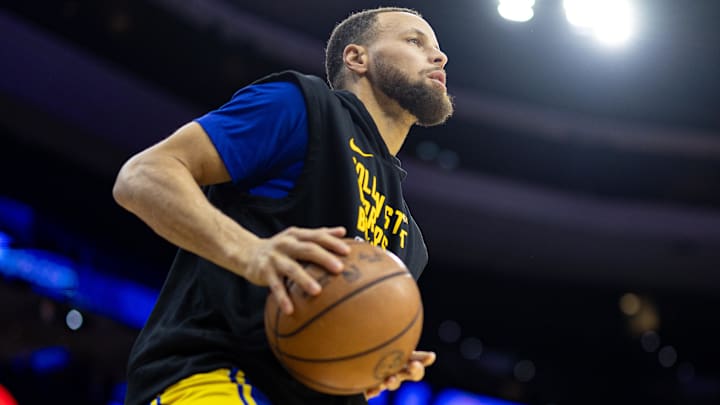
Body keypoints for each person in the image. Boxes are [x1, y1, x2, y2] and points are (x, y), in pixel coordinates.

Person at [112, 6, 453, 405]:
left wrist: (374, 353)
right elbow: (143, 174)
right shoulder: (304, 108)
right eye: (415, 41)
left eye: (437, 48)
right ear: (357, 58)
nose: (439, 56)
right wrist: (251, 251)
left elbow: (325, 332)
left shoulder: (409, 240)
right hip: (218, 375)